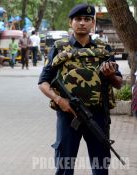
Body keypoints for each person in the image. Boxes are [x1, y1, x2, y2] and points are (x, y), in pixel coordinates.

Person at [38, 4, 123, 175]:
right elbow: (43, 82)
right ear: (71, 23)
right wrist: (60, 100)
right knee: (64, 166)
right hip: (68, 114)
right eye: (78, 19)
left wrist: (111, 75)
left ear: (93, 23)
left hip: (98, 115)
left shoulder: (103, 49)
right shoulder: (59, 47)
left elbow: (119, 83)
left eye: (87, 19)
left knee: (100, 166)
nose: (82, 23)